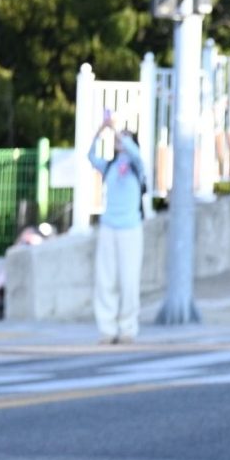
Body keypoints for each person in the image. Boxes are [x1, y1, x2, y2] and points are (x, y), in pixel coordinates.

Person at [88, 114, 146, 345]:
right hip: (109, 227)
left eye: (125, 139)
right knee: (106, 280)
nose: (120, 142)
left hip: (130, 228)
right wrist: (102, 129)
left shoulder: (136, 166)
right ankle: (107, 328)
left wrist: (118, 131)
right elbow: (90, 155)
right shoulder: (110, 165)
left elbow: (135, 152)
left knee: (129, 280)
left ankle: (128, 328)